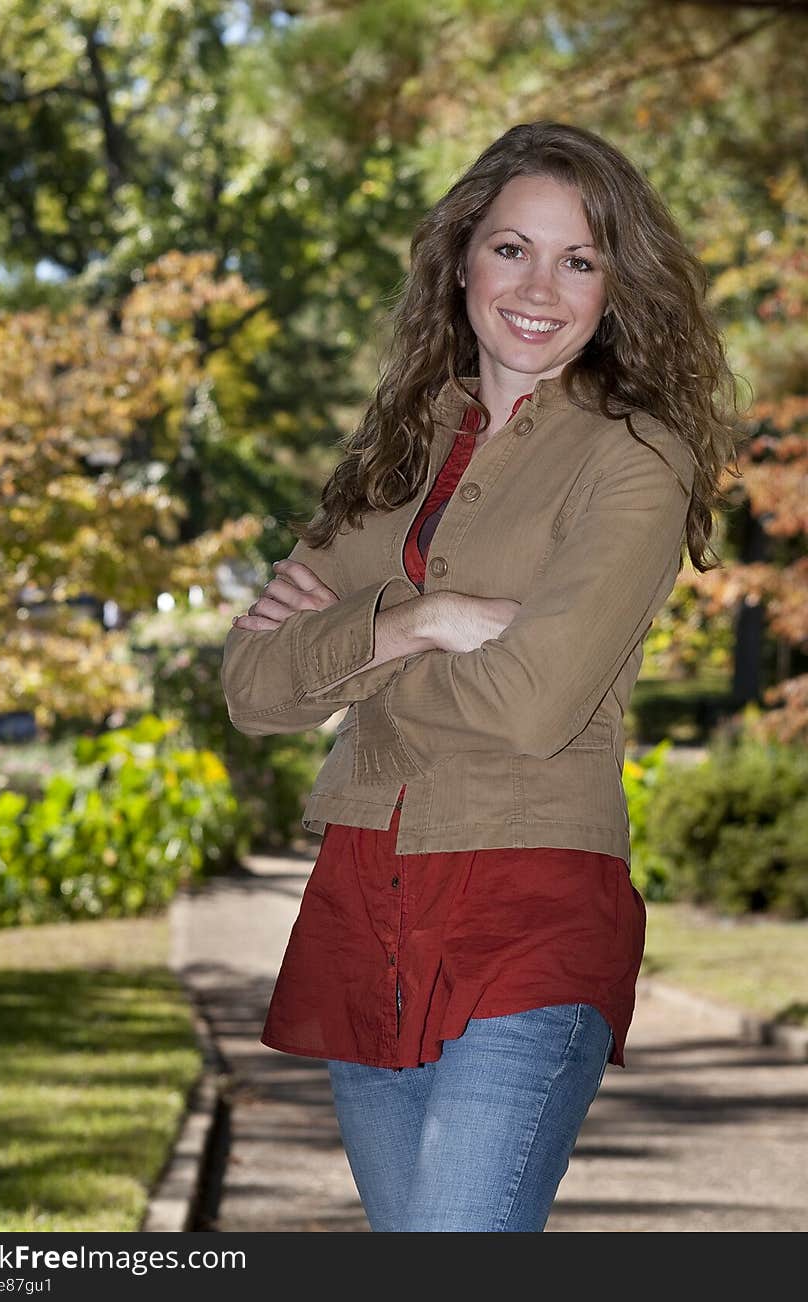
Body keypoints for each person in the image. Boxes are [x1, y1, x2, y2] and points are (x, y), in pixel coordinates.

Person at [221, 120, 740, 1232]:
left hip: (531, 906)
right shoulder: (397, 453)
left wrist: (355, 658)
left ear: (613, 287)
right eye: (511, 249)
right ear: (460, 257)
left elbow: (532, 702)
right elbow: (253, 688)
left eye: (579, 259)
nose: (538, 286)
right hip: (367, 900)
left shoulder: (635, 457)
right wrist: (429, 619)